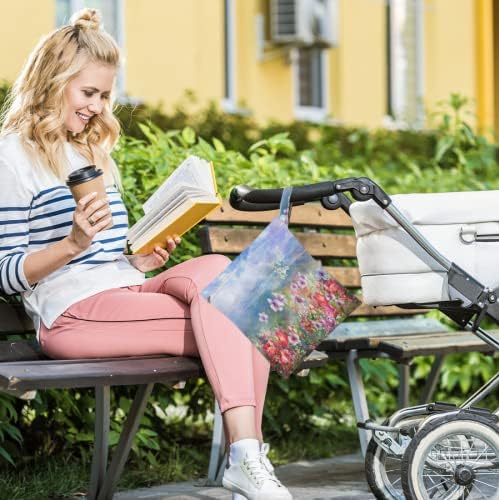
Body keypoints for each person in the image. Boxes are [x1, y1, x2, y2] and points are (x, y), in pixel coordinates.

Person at [0, 9, 292, 500]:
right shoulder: (11, 156)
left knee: (228, 274)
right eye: (88, 93)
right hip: (71, 313)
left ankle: (246, 458)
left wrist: (142, 258)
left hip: (123, 287)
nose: (97, 107)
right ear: (52, 81)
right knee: (250, 310)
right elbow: (6, 274)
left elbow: (109, 257)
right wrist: (72, 243)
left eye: (104, 96)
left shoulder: (92, 153)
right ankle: (247, 458)